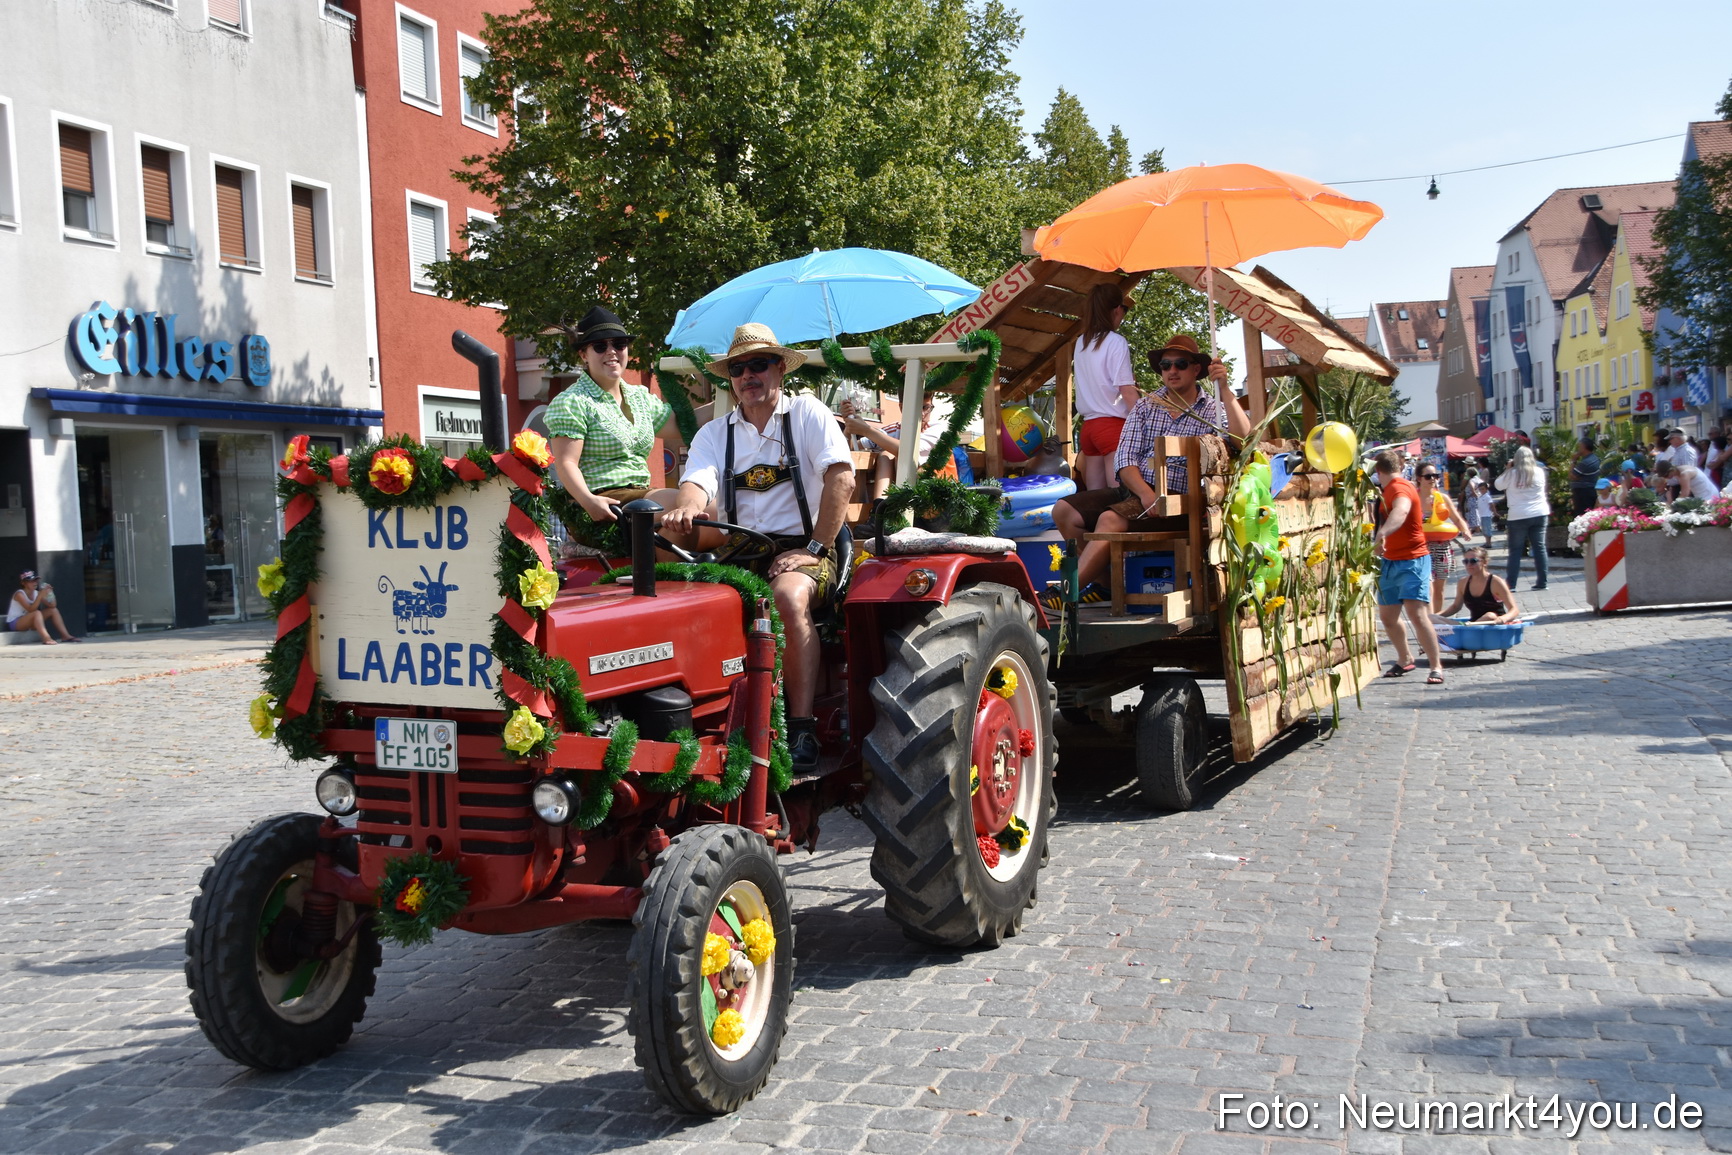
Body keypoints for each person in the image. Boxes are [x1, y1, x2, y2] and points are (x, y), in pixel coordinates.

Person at [662, 324, 855, 773]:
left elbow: (842, 479)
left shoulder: (807, 414)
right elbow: (697, 481)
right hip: (742, 550)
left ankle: (801, 727)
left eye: (759, 364)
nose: (748, 375)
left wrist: (814, 548)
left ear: (780, 368)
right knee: (690, 600)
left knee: (786, 596)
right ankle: (705, 720)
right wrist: (686, 508)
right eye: (738, 368)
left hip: (808, 547)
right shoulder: (715, 434)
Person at [1046, 334, 1251, 607]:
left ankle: (1066, 594)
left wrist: (1224, 389)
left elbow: (1243, 441)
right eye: (1166, 365)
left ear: (1196, 369)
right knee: (1063, 510)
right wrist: (1145, 493)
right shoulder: (1146, 405)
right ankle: (1105, 585)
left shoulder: (1213, 409)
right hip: (1138, 491)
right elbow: (1125, 458)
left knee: (1110, 520)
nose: (1172, 370)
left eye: (1180, 364)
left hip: (1182, 501)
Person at [545, 307, 687, 549]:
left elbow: (683, 425)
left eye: (619, 344)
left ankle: (669, 569)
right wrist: (589, 501)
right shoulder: (572, 401)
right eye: (600, 346)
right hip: (603, 501)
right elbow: (566, 463)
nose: (611, 351)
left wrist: (736, 394)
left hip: (642, 497)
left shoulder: (640, 397)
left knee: (714, 510)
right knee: (681, 504)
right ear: (583, 354)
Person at [1371, 450, 1444, 684]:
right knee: (1388, 617)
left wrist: (1382, 533)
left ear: (1377, 470)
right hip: (1390, 561)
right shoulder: (1387, 489)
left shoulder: (1399, 488)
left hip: (1412, 559)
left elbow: (1401, 511)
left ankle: (1436, 666)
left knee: (1417, 614)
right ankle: (1405, 658)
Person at [1071, 283, 1139, 491]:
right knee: (1117, 496)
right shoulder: (1116, 341)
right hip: (1112, 426)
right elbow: (1127, 390)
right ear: (1117, 309)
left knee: (1096, 496)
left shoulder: (1081, 343)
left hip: (1089, 428)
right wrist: (1142, 421)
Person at [842, 391, 946, 505]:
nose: (921, 414)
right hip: (904, 494)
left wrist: (867, 430)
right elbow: (851, 446)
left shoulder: (936, 429)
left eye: (926, 407)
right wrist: (849, 426)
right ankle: (879, 507)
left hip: (934, 498)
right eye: (916, 408)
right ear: (902, 407)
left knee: (899, 455)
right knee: (886, 455)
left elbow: (907, 452)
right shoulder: (893, 430)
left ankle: (897, 507)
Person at [1416, 464, 1472, 613]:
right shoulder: (1413, 498)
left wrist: (1465, 530)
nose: (1432, 479)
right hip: (1420, 548)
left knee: (1439, 589)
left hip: (1441, 547)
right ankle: (1426, 618)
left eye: (1435, 476)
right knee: (1425, 587)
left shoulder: (1442, 498)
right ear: (1419, 478)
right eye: (1428, 476)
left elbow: (1456, 518)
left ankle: (1436, 620)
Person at [1495, 445, 1550, 590]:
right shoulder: (1539, 472)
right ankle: (1542, 582)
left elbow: (1498, 485)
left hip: (1518, 515)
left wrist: (1508, 469)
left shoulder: (1512, 473)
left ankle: (1511, 584)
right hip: (1539, 512)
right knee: (1540, 548)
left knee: (1515, 550)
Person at [1438, 546, 1521, 624]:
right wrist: (1435, 616)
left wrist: (1502, 619)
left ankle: (1467, 628)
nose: (1469, 565)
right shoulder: (1462, 582)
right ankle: (1467, 628)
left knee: (1490, 616)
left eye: (1473, 561)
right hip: (1471, 625)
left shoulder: (1496, 582)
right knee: (1433, 618)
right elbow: (1456, 607)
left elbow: (1514, 610)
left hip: (1494, 625)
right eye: (1465, 561)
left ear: (1485, 562)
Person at [8, 571, 78, 645]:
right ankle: (46, 638)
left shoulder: (36, 593)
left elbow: (53, 605)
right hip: (15, 623)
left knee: (53, 610)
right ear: (23, 583)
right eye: (31, 581)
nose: (34, 583)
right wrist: (40, 595)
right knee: (37, 613)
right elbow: (31, 609)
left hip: (29, 620)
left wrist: (50, 593)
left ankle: (65, 636)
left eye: (35, 580)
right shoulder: (19, 594)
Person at [1655, 460, 1719, 504]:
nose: (1666, 478)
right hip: (1700, 496)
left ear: (1671, 470)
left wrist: (1674, 505)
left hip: (1709, 495)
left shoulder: (1684, 474)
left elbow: (1685, 494)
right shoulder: (1679, 471)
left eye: (1666, 475)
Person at [1569, 437, 1601, 518]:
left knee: (1582, 515)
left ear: (1584, 447)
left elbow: (1571, 475)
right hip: (1589, 490)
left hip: (1583, 493)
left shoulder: (1586, 462)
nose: (1578, 449)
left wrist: (1573, 460)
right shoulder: (1594, 458)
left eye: (1579, 446)